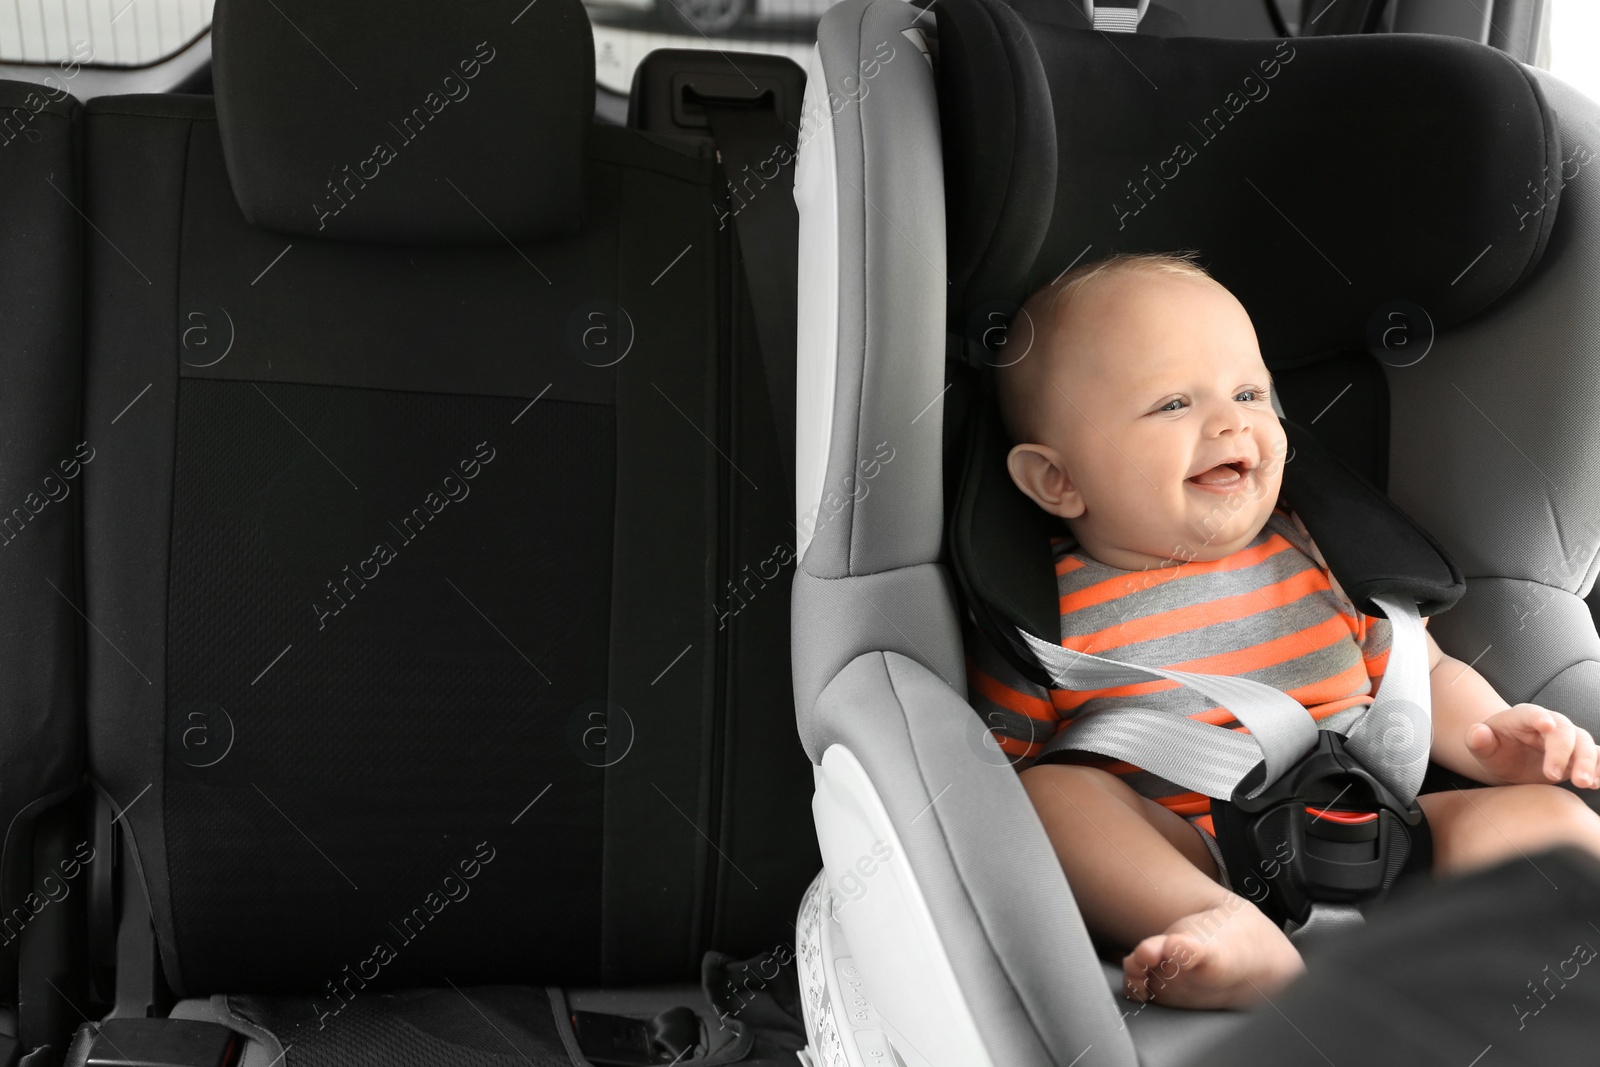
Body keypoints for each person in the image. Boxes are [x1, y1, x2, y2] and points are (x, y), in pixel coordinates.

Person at [967, 250, 1600, 1011]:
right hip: (1200, 850)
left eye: (1249, 391)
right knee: (1051, 800)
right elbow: (998, 773)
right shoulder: (1046, 613)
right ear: (1057, 480)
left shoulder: (1319, 553)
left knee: (1552, 820)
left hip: (1388, 823)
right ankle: (1229, 933)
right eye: (1173, 404)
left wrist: (1497, 736)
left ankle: (1551, 935)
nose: (1232, 420)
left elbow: (1421, 671)